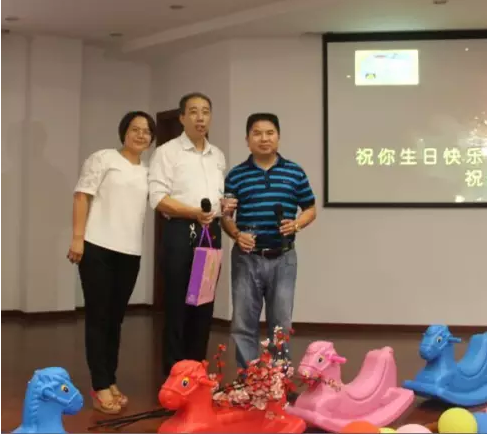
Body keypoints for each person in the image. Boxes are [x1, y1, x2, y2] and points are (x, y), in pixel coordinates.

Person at [68, 111, 156, 414]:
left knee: (115, 319)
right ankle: (100, 385)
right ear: (124, 132)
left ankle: (110, 378)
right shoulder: (103, 158)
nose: (141, 135)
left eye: (147, 131)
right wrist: (77, 238)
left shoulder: (148, 172)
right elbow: (82, 196)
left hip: (130, 253)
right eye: (135, 129)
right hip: (97, 248)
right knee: (98, 317)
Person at [148, 92, 237, 377]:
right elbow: (158, 198)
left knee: (202, 304)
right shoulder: (167, 152)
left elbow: (218, 197)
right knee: (177, 305)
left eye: (206, 112)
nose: (201, 118)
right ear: (182, 117)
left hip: (210, 233)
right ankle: (176, 374)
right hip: (180, 233)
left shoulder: (217, 155)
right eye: (194, 112)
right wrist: (192, 212)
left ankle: (196, 371)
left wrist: (225, 205)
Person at [222, 113, 316, 368]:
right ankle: (248, 378)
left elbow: (310, 208)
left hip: (283, 257)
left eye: (269, 133)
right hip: (246, 258)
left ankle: (278, 379)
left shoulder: (294, 172)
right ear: (247, 139)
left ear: (278, 137)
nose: (264, 138)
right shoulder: (236, 175)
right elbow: (226, 217)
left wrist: (297, 224)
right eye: (257, 133)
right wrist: (236, 234)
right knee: (243, 323)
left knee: (281, 323)